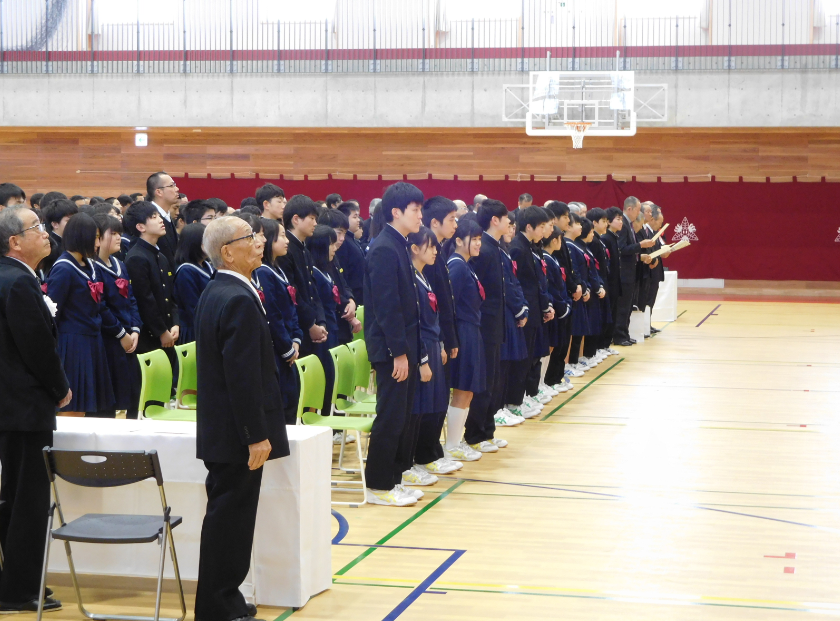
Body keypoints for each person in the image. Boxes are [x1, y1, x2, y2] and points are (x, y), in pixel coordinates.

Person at [193, 216, 289, 621]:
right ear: (227, 252)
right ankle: (218, 604)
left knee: (229, 518)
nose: (258, 241)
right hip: (236, 434)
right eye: (249, 237)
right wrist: (255, 435)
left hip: (225, 431)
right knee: (229, 521)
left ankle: (223, 598)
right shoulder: (234, 297)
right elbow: (242, 376)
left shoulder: (223, 290)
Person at [0, 207, 69, 614]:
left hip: (11, 404)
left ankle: (17, 581)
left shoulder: (16, 278)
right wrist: (59, 388)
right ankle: (18, 589)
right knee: (27, 500)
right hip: (24, 406)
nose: (45, 233)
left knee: (15, 497)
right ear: (14, 242)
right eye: (36, 228)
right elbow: (36, 347)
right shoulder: (17, 283)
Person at [363, 182, 427, 507]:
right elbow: (386, 307)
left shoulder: (399, 243)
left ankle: (394, 478)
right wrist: (398, 352)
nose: (420, 216)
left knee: (401, 415)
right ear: (397, 212)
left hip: (406, 346)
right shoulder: (384, 248)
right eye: (416, 210)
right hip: (392, 350)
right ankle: (378, 485)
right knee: (389, 416)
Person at [47, 213, 127, 417]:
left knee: (87, 409)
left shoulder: (90, 265)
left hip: (93, 341)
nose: (99, 243)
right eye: (96, 237)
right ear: (82, 236)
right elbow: (51, 314)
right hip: (72, 344)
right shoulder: (63, 268)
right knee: (71, 409)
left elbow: (99, 305)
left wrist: (121, 332)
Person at [405, 226, 457, 483]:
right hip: (422, 345)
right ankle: (413, 460)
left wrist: (440, 344)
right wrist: (425, 356)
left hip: (433, 342)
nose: (437, 250)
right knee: (419, 406)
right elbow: (415, 322)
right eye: (431, 246)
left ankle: (428, 454)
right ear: (415, 249)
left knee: (434, 403)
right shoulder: (410, 278)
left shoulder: (423, 275)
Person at [413, 196, 461, 472]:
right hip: (428, 337)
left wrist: (447, 338)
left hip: (438, 335)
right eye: (452, 219)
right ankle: (424, 455)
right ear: (434, 222)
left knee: (438, 397)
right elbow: (433, 302)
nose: (456, 224)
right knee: (428, 400)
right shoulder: (425, 261)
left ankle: (432, 452)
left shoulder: (440, 252)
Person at [466, 199, 513, 448]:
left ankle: (488, 430)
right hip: (484, 326)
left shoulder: (496, 247)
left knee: (493, 380)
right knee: (483, 382)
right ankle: (475, 434)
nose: (509, 222)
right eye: (506, 217)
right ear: (495, 220)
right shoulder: (483, 250)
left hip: (496, 324)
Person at [443, 218, 486, 460]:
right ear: (459, 241)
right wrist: (453, 340)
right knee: (462, 389)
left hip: (472, 330)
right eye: (475, 239)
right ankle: (451, 445)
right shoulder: (457, 266)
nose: (479, 244)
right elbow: (449, 306)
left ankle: (455, 442)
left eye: (480, 239)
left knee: (468, 391)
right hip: (463, 332)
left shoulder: (467, 264)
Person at [94, 214, 141, 418]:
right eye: (112, 234)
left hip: (129, 337)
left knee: (133, 391)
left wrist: (135, 329)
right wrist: (121, 334)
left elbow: (131, 299)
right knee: (111, 396)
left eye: (119, 233)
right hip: (109, 340)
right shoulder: (93, 268)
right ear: (97, 238)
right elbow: (101, 307)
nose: (118, 238)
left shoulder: (120, 263)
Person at [255, 218, 301, 425]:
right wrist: (287, 348)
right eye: (281, 236)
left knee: (292, 399)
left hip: (290, 340)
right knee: (282, 402)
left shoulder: (278, 269)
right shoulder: (264, 272)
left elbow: (292, 308)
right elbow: (273, 315)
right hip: (278, 349)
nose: (287, 241)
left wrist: (297, 338)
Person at [507, 206, 553, 413]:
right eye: (541, 227)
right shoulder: (518, 248)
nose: (543, 231)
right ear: (529, 226)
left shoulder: (531, 247)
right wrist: (522, 309)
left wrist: (545, 305)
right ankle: (514, 401)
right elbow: (516, 283)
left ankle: (522, 396)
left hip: (534, 309)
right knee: (521, 360)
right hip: (524, 312)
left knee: (530, 357)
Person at [124, 201, 180, 359]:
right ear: (141, 227)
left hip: (168, 330)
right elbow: (145, 300)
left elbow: (170, 293)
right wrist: (161, 331)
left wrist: (175, 322)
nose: (160, 219)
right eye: (154, 217)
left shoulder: (160, 255)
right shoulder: (136, 257)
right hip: (150, 337)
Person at [278, 195, 327, 356]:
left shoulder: (304, 249)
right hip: (299, 328)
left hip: (312, 326)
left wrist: (320, 321)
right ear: (296, 219)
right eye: (311, 218)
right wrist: (310, 324)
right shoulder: (285, 251)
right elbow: (293, 293)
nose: (315, 223)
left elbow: (313, 289)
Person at [306, 225, 341, 415]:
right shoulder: (313, 273)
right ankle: (323, 417)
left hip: (333, 328)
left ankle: (330, 416)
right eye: (331, 244)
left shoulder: (327, 270)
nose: (334, 248)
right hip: (323, 332)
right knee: (324, 377)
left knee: (332, 375)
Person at [613, 196, 654, 346]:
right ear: (629, 209)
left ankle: (625, 333)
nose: (638, 214)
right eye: (637, 210)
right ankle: (619, 335)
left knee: (629, 305)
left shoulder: (629, 225)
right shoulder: (623, 225)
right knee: (623, 306)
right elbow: (622, 249)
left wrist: (640, 254)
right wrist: (640, 246)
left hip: (631, 271)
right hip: (624, 272)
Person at [173, 223, 213, 345]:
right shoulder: (186, 270)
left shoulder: (208, 266)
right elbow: (193, 307)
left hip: (210, 325)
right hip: (195, 330)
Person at [145, 171, 181, 268]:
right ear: (159, 192)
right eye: (172, 185)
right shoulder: (148, 218)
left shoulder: (167, 216)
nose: (177, 189)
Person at [600, 207, 623, 353]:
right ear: (608, 222)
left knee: (613, 313)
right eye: (618, 219)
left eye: (621, 219)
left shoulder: (614, 237)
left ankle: (607, 344)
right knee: (607, 315)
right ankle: (602, 345)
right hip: (608, 283)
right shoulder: (605, 238)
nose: (621, 222)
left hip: (615, 282)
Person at [335, 201, 366, 306]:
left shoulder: (352, 239)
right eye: (355, 217)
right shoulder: (342, 242)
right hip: (352, 297)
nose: (358, 220)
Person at [41, 198, 78, 275]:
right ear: (55, 224)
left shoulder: (72, 242)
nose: (75, 223)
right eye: (69, 220)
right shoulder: (50, 247)